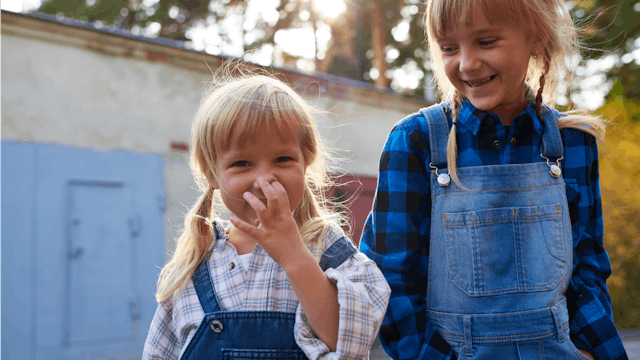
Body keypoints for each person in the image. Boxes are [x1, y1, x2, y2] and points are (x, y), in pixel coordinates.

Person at [360, 0, 629, 359]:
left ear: (537, 38)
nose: (467, 63)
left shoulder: (574, 144)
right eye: (449, 48)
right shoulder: (415, 142)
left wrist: (596, 352)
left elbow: (587, 273)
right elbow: (390, 283)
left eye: (486, 42)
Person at [143, 73, 390, 359]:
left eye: (282, 159)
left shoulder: (328, 249)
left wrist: (293, 255)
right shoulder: (194, 263)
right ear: (213, 174)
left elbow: (350, 341)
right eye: (242, 163)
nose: (264, 179)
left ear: (305, 160)